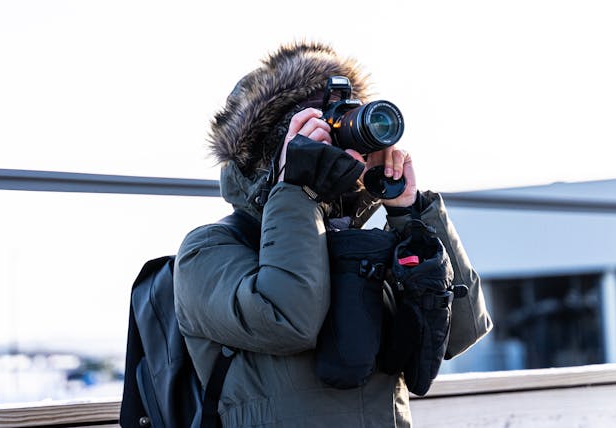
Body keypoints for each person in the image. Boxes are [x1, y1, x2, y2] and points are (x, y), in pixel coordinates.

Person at [173, 41, 492, 427]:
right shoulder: (208, 250)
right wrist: (294, 187)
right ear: (273, 151)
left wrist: (409, 213)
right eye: (326, 134)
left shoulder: (367, 247)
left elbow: (462, 331)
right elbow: (289, 319)